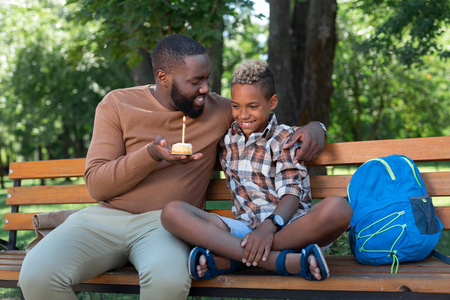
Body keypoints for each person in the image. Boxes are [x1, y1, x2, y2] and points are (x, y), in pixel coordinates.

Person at [18, 35, 327, 299]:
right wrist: (150, 156)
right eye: (196, 81)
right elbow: (97, 184)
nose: (205, 89)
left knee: (168, 282)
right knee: (36, 275)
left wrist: (316, 127)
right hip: (104, 219)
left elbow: (264, 120)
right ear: (163, 77)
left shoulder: (219, 109)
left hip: (165, 226)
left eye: (207, 78)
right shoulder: (117, 104)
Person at [161, 59, 353, 281]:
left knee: (339, 208)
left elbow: (292, 194)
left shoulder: (284, 139)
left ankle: (232, 258)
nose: (243, 115)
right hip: (244, 228)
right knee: (172, 212)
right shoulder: (227, 138)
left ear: (272, 102)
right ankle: (279, 262)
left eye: (253, 106)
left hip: (289, 227)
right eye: (235, 106)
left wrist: (268, 229)